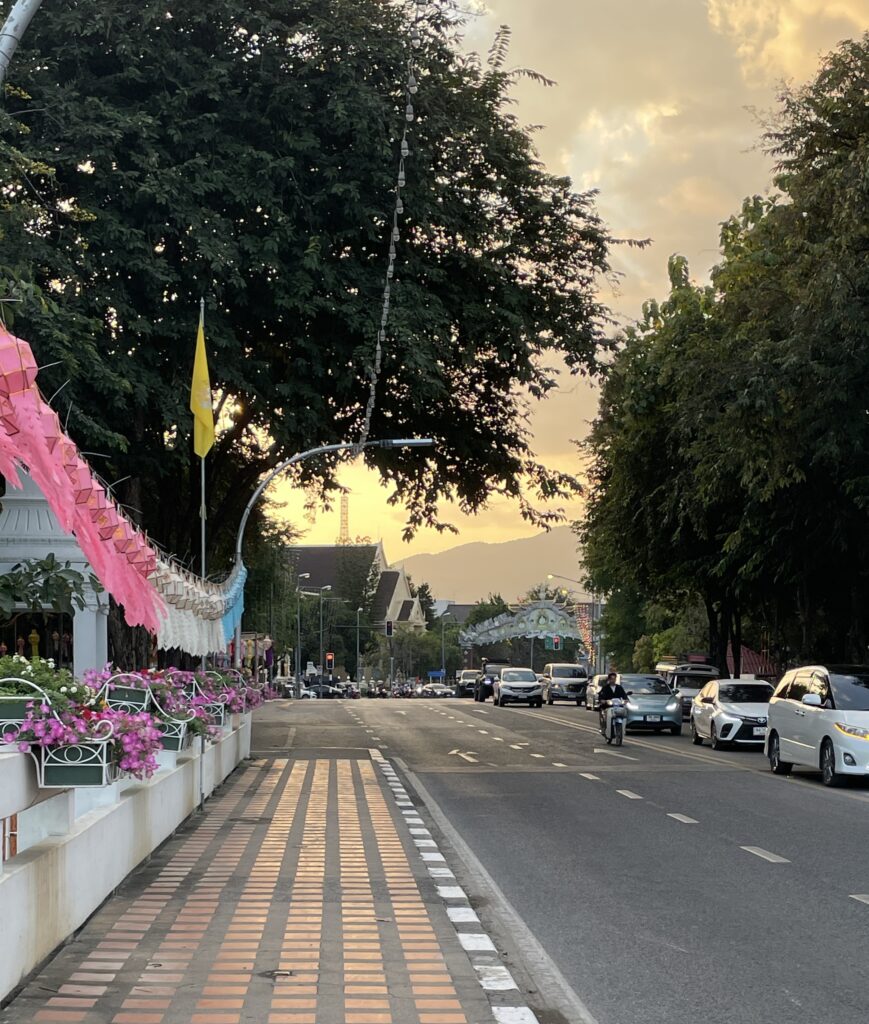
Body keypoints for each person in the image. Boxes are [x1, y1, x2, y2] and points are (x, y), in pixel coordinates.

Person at [598, 671, 628, 737]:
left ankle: (621, 730)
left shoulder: (619, 687)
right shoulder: (605, 688)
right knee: (603, 715)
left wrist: (625, 700)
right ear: (609, 679)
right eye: (611, 679)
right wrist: (603, 700)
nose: (613, 680)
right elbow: (601, 696)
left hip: (618, 706)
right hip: (607, 706)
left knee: (624, 713)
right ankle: (603, 728)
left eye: (614, 679)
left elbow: (624, 695)